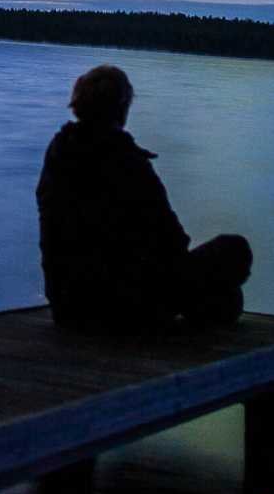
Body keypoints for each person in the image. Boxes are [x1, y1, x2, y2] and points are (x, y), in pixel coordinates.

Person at [36, 63, 253, 332]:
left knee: (221, 298)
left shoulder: (57, 155)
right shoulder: (127, 162)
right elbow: (173, 240)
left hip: (68, 306)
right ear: (123, 107)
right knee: (233, 252)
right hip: (125, 307)